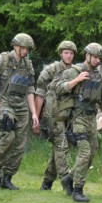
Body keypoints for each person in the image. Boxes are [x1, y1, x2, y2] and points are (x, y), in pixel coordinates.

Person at [54, 42, 102, 202]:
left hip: (91, 119)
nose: (97, 61)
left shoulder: (98, 76)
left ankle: (68, 179)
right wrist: (76, 80)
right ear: (87, 55)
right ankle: (78, 190)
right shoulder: (74, 71)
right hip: (77, 117)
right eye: (95, 57)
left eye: (99, 58)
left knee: (92, 153)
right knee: (85, 152)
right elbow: (57, 88)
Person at [0, 33, 39, 190]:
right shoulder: (0, 61)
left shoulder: (28, 65)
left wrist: (34, 113)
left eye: (28, 49)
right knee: (8, 137)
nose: (26, 51)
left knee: (19, 145)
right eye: (24, 48)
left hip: (21, 106)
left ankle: (7, 177)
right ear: (16, 46)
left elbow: (30, 90)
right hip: (5, 103)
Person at [36, 40, 77, 191]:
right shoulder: (51, 70)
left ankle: (46, 182)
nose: (69, 56)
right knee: (61, 146)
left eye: (71, 53)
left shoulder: (75, 71)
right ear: (61, 53)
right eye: (66, 53)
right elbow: (40, 93)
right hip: (52, 114)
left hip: (68, 113)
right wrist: (36, 115)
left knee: (58, 149)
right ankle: (66, 181)